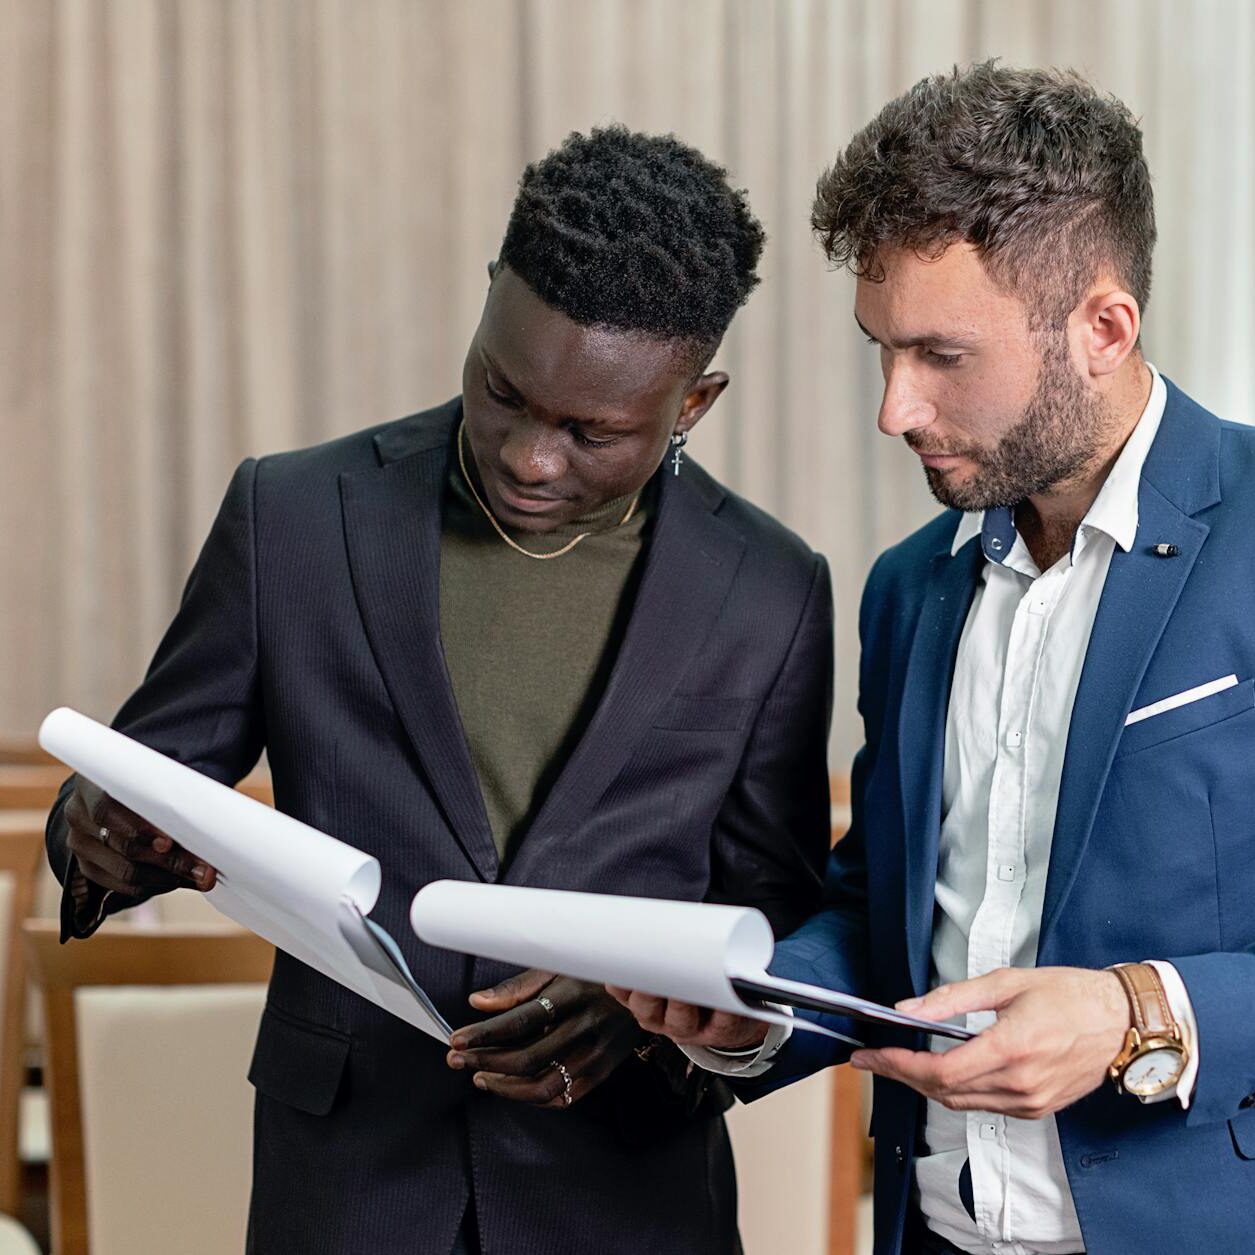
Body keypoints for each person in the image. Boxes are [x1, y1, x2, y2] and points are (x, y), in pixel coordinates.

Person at [45, 126, 834, 1255]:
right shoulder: (294, 518)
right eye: (502, 391)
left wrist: (642, 1014)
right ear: (484, 309)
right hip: (349, 1191)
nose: (528, 456)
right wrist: (94, 837)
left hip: (626, 1196)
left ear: (693, 405)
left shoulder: (771, 591)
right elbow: (133, 791)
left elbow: (782, 918)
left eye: (591, 431)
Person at [612, 64, 1255, 1254]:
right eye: (881, 350)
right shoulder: (910, 587)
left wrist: (1135, 1014)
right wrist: (748, 1006)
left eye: (941, 356)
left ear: (1103, 328)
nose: (894, 408)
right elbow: (888, 904)